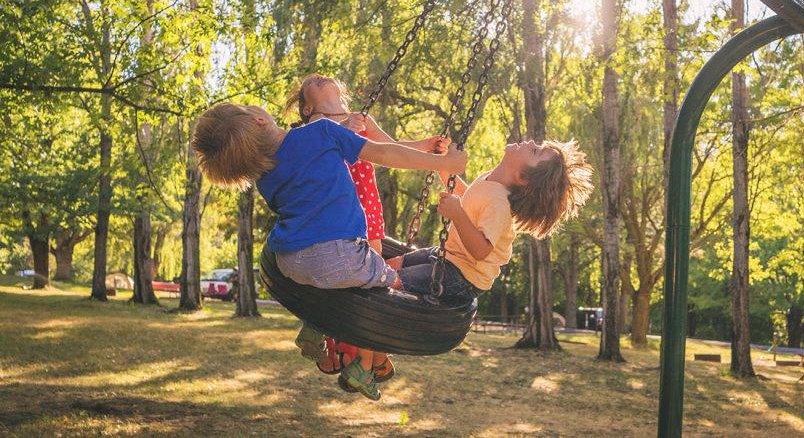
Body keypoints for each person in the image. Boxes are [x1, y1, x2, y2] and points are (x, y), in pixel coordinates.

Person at [190, 102, 466, 400]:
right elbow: (384, 153)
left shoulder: (265, 176)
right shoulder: (322, 132)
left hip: (289, 261)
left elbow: (306, 161)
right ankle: (364, 365)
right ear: (259, 120)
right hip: (339, 252)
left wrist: (343, 131)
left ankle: (315, 326)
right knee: (395, 289)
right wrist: (442, 164)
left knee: (331, 284)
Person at [284, 74, 448, 386]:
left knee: (366, 286)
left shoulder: (360, 121)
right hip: (334, 216)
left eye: (333, 93)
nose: (319, 79)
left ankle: (361, 357)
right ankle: (326, 336)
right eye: (315, 89)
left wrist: (426, 148)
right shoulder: (312, 133)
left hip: (367, 215)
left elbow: (390, 149)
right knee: (335, 276)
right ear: (306, 109)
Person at [388, 139, 593, 305]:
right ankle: (377, 357)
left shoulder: (499, 204)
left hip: (463, 276)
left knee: (389, 280)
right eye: (537, 146)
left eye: (535, 152)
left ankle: (373, 351)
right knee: (390, 266)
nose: (531, 142)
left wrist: (457, 213)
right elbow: (469, 197)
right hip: (450, 256)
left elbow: (481, 250)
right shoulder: (492, 181)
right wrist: (443, 165)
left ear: (522, 177)